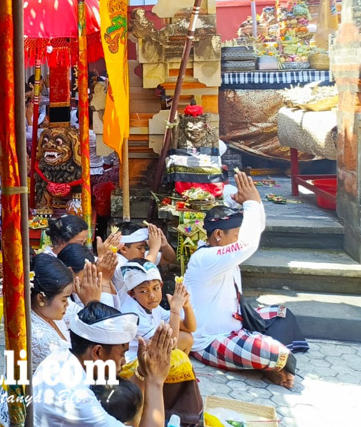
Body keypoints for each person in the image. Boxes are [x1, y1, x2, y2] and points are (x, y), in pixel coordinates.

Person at [185, 172, 306, 389]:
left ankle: (266, 367)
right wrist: (251, 203)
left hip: (238, 328)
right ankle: (269, 367)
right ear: (219, 234)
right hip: (210, 341)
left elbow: (255, 231)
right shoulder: (204, 258)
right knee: (276, 353)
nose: (240, 239)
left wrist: (256, 201)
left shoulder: (220, 250)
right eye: (236, 234)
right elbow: (248, 244)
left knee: (282, 315)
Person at [33, 302, 175, 427]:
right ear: (98, 352)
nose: (124, 361)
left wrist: (143, 372)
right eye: (122, 353)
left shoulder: (63, 356)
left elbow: (123, 398)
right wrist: (155, 380)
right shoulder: (78, 400)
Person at [120, 259, 196, 361]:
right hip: (134, 362)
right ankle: (166, 374)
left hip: (150, 355)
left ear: (161, 286)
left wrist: (186, 306)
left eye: (155, 288)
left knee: (187, 338)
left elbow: (189, 327)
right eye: (143, 291)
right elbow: (169, 347)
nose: (151, 296)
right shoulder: (133, 314)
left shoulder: (152, 307)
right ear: (131, 294)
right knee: (172, 348)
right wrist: (175, 310)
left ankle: (170, 374)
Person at [27, 254, 75, 370]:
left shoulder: (50, 311)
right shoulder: (39, 337)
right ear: (41, 299)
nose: (67, 304)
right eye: (64, 299)